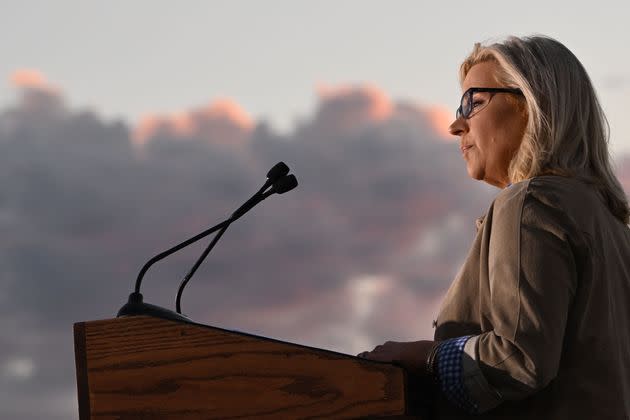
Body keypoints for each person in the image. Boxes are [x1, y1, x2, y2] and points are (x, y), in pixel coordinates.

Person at [357, 35, 630, 419]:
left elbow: (519, 358)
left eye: (474, 102)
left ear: (532, 105)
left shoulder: (529, 203)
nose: (456, 125)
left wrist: (427, 356)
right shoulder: (613, 226)